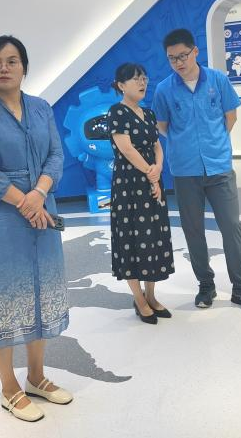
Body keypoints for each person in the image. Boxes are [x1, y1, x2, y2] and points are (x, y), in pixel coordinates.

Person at [0, 35, 72, 423]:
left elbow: (56, 155)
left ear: (24, 67)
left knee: (40, 289)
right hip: (2, 216)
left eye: (11, 61)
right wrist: (24, 202)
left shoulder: (42, 108)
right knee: (4, 296)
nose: (3, 68)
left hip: (42, 208)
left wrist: (38, 194)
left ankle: (36, 377)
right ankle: (9, 387)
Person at [153, 28, 241, 312]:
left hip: (219, 167)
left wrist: (214, 143)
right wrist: (185, 144)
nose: (178, 62)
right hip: (185, 170)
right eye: (172, 58)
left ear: (195, 52)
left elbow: (230, 116)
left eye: (183, 55)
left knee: (231, 228)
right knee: (193, 230)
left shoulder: (218, 80)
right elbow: (162, 127)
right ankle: (206, 285)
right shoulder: (164, 89)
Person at [107, 63, 175, 325]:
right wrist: (150, 173)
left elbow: (157, 145)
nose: (142, 83)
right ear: (121, 85)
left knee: (153, 238)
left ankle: (151, 296)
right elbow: (127, 149)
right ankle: (138, 299)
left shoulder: (148, 113)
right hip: (129, 185)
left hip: (151, 180)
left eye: (144, 78)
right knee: (132, 240)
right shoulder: (116, 112)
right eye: (136, 79)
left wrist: (157, 168)